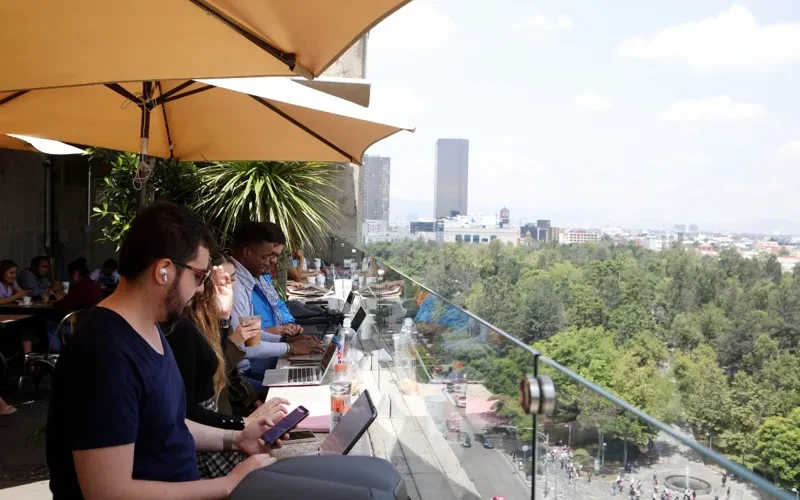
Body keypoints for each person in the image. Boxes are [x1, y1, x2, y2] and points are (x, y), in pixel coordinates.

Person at [46, 202, 286, 499]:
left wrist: (238, 439)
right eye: (199, 277)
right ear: (163, 271)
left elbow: (166, 424)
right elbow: (106, 491)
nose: (201, 290)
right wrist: (228, 483)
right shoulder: (103, 351)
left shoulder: (151, 327)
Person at [168, 258, 290, 478]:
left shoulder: (211, 323)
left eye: (232, 280)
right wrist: (245, 422)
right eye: (223, 281)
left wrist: (252, 403)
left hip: (222, 427)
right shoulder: (184, 330)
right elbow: (201, 394)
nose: (231, 287)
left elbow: (224, 375)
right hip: (211, 441)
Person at [229, 222, 322, 392]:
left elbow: (252, 336)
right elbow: (244, 347)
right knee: (296, 391)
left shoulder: (248, 281)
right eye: (264, 257)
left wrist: (286, 340)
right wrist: (290, 347)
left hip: (246, 369)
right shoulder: (234, 286)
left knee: (307, 382)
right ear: (246, 252)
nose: (268, 263)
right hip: (240, 375)